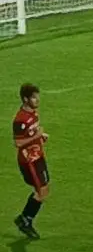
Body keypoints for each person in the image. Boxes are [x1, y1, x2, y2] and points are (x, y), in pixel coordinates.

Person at [13, 84, 48, 240]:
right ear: (25, 99)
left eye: (37, 96)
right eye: (34, 97)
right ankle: (25, 220)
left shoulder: (32, 113)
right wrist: (36, 137)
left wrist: (41, 136)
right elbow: (18, 143)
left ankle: (25, 218)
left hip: (38, 156)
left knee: (44, 190)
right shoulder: (20, 120)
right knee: (41, 192)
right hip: (29, 161)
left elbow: (33, 132)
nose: (37, 99)